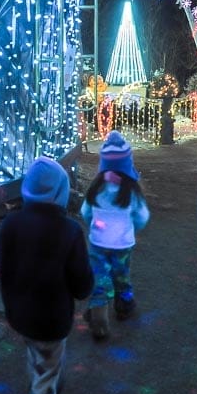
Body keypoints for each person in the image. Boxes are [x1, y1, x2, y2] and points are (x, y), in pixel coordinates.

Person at [0, 156, 93, 394]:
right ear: (61, 191)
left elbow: (5, 267)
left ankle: (39, 380)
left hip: (18, 312)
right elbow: (81, 281)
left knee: (37, 353)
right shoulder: (69, 231)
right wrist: (86, 288)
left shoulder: (10, 224)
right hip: (51, 320)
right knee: (48, 371)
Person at [81, 130, 150, 341]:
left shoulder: (96, 189)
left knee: (99, 279)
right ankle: (124, 305)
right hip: (123, 244)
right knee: (122, 276)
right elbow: (142, 217)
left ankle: (99, 318)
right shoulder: (132, 191)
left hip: (98, 243)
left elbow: (85, 213)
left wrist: (96, 226)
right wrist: (131, 229)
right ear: (127, 165)